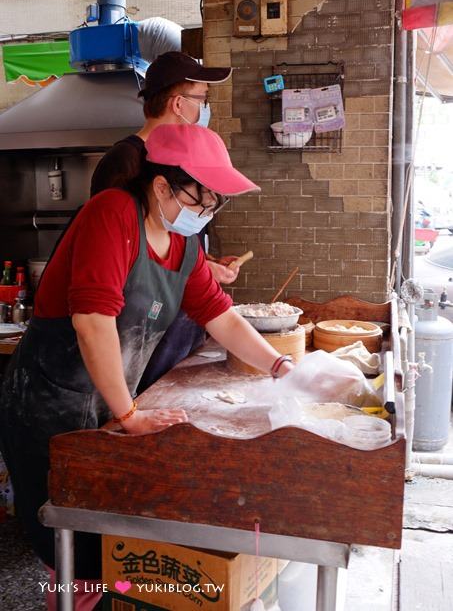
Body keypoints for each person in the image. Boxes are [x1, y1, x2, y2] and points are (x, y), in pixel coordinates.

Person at [0, 124, 294, 611]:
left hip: (108, 405)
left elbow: (220, 315)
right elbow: (93, 323)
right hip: (50, 406)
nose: (208, 212)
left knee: (106, 545)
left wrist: (280, 365)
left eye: (216, 202)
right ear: (162, 186)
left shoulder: (184, 245)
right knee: (70, 547)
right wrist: (131, 413)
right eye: (203, 199)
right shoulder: (112, 213)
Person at [91, 51, 238, 389]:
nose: (204, 109)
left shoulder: (188, 155)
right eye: (201, 99)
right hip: (142, 326)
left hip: (182, 315)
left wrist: (206, 264)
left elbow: (173, 239)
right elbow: (119, 252)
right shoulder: (125, 161)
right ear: (177, 104)